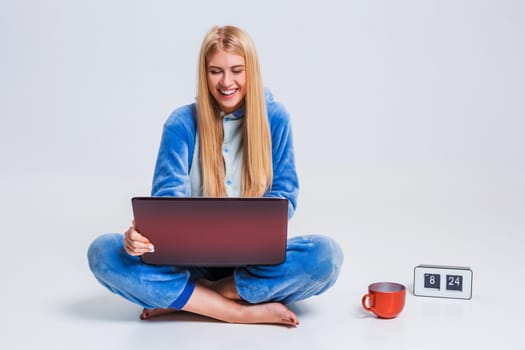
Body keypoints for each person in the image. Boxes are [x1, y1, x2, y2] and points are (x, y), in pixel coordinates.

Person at [87, 25, 343, 327]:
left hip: (254, 262)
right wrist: (139, 239)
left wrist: (251, 231)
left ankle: (200, 297)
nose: (226, 82)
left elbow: (284, 197)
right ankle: (236, 311)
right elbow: (167, 202)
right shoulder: (181, 123)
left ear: (252, 71)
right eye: (215, 71)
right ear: (204, 73)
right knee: (103, 252)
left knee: (326, 256)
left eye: (236, 70)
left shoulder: (276, 118)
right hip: (188, 263)